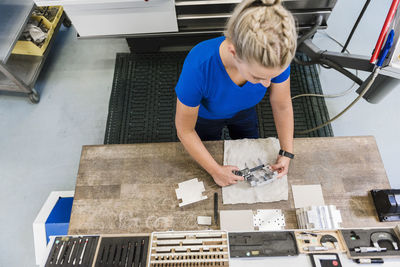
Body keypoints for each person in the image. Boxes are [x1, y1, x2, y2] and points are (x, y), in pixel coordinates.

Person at [174, 0, 297, 187]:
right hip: (205, 118)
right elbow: (185, 129)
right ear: (234, 52)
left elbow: (281, 104)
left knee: (249, 147)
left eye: (272, 76)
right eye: (258, 77)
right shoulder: (198, 67)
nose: (267, 84)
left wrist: (286, 151)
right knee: (208, 150)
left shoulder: (276, 55)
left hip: (245, 112)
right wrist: (215, 170)